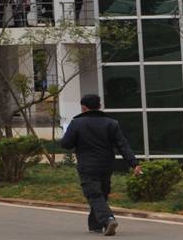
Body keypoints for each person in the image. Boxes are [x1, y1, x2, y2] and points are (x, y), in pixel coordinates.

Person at [59, 94, 140, 236]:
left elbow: (66, 144)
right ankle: (95, 225)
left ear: (83, 108)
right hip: (106, 165)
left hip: (87, 165)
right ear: (100, 106)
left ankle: (108, 219)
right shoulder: (111, 123)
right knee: (101, 194)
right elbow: (123, 145)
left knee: (94, 194)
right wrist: (134, 164)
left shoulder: (77, 123)